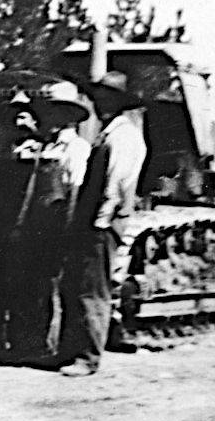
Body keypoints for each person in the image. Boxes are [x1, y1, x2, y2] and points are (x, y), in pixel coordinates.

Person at [0, 82, 91, 364]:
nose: (51, 117)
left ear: (71, 116)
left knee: (43, 289)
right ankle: (20, 344)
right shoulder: (41, 147)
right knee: (22, 287)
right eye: (51, 111)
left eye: (59, 112)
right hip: (29, 228)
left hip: (53, 229)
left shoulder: (76, 148)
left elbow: (74, 193)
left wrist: (66, 233)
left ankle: (41, 346)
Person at [57, 71, 148, 377]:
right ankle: (73, 351)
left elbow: (115, 185)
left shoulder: (124, 136)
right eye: (97, 98)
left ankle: (87, 357)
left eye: (107, 98)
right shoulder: (108, 133)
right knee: (77, 285)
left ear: (120, 102)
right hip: (92, 221)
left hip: (102, 224)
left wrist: (99, 223)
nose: (100, 103)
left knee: (92, 290)